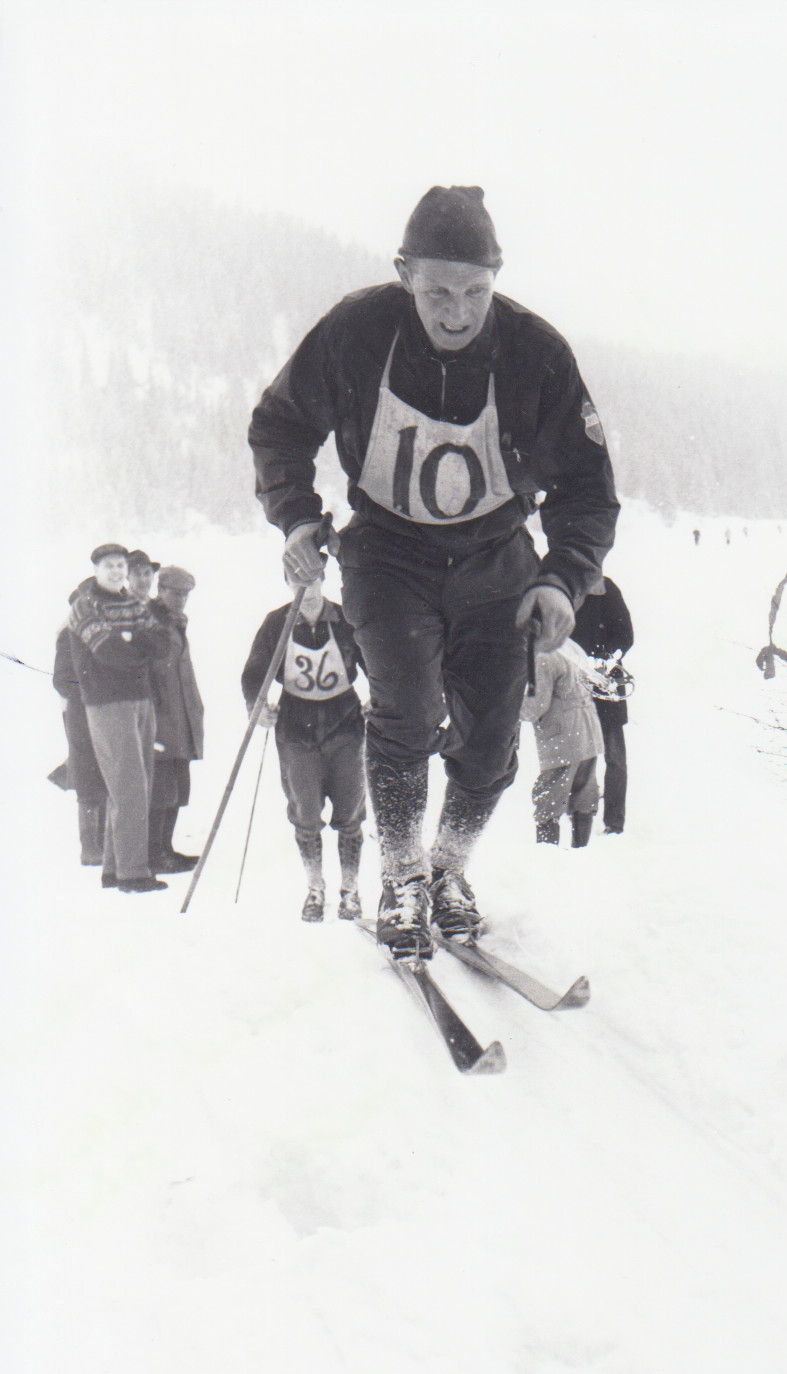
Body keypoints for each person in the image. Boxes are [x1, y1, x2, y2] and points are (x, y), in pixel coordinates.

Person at [248, 185, 619, 959]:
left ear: (497, 278)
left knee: (491, 739)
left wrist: (562, 578)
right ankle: (402, 876)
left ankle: (448, 869)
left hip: (495, 559)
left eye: (475, 292)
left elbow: (587, 489)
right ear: (404, 274)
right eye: (438, 292)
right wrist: (298, 517)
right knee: (408, 712)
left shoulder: (536, 354)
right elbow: (280, 425)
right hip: (387, 554)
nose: (457, 312)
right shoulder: (358, 331)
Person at [242, 575, 368, 922]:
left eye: (311, 581)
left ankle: (350, 890)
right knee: (305, 810)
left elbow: (375, 663)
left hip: (344, 721)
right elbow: (254, 672)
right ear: (287, 583)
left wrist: (381, 699)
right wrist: (257, 705)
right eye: (298, 582)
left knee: (350, 808)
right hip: (296, 726)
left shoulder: (345, 618)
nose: (306, 591)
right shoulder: (277, 622)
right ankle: (315, 888)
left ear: (322, 579)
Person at [67, 543, 171, 893]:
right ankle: (133, 874)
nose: (116, 572)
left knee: (137, 785)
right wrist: (138, 644)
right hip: (108, 704)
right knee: (129, 788)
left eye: (120, 566)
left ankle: (114, 869)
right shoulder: (85, 606)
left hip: (141, 700)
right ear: (96, 569)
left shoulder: (132, 603)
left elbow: (163, 643)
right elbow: (109, 652)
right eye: (109, 565)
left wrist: (131, 640)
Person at [148, 565, 205, 873]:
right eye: (175, 593)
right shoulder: (152, 621)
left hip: (180, 719)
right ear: (160, 591)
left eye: (186, 594)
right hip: (160, 719)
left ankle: (166, 849)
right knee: (162, 790)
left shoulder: (176, 623)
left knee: (178, 789)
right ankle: (154, 854)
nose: (181, 599)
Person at [520, 647, 603, 847]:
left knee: (549, 799)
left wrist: (510, 706)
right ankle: (580, 852)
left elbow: (535, 707)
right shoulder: (571, 647)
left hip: (563, 737)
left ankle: (547, 857)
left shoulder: (543, 657)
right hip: (588, 732)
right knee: (584, 795)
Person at [570, 576, 634, 834]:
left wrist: (604, 661)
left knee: (615, 758)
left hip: (607, 687)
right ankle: (580, 814)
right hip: (573, 685)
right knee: (577, 755)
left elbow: (625, 635)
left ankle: (614, 823)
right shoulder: (565, 588)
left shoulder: (606, 589)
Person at [49, 606, 107, 865]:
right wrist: (88, 691)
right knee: (87, 776)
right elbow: (62, 680)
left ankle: (105, 843)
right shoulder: (69, 630)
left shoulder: (105, 627)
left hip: (106, 710)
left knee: (107, 772)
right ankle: (91, 847)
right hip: (80, 713)